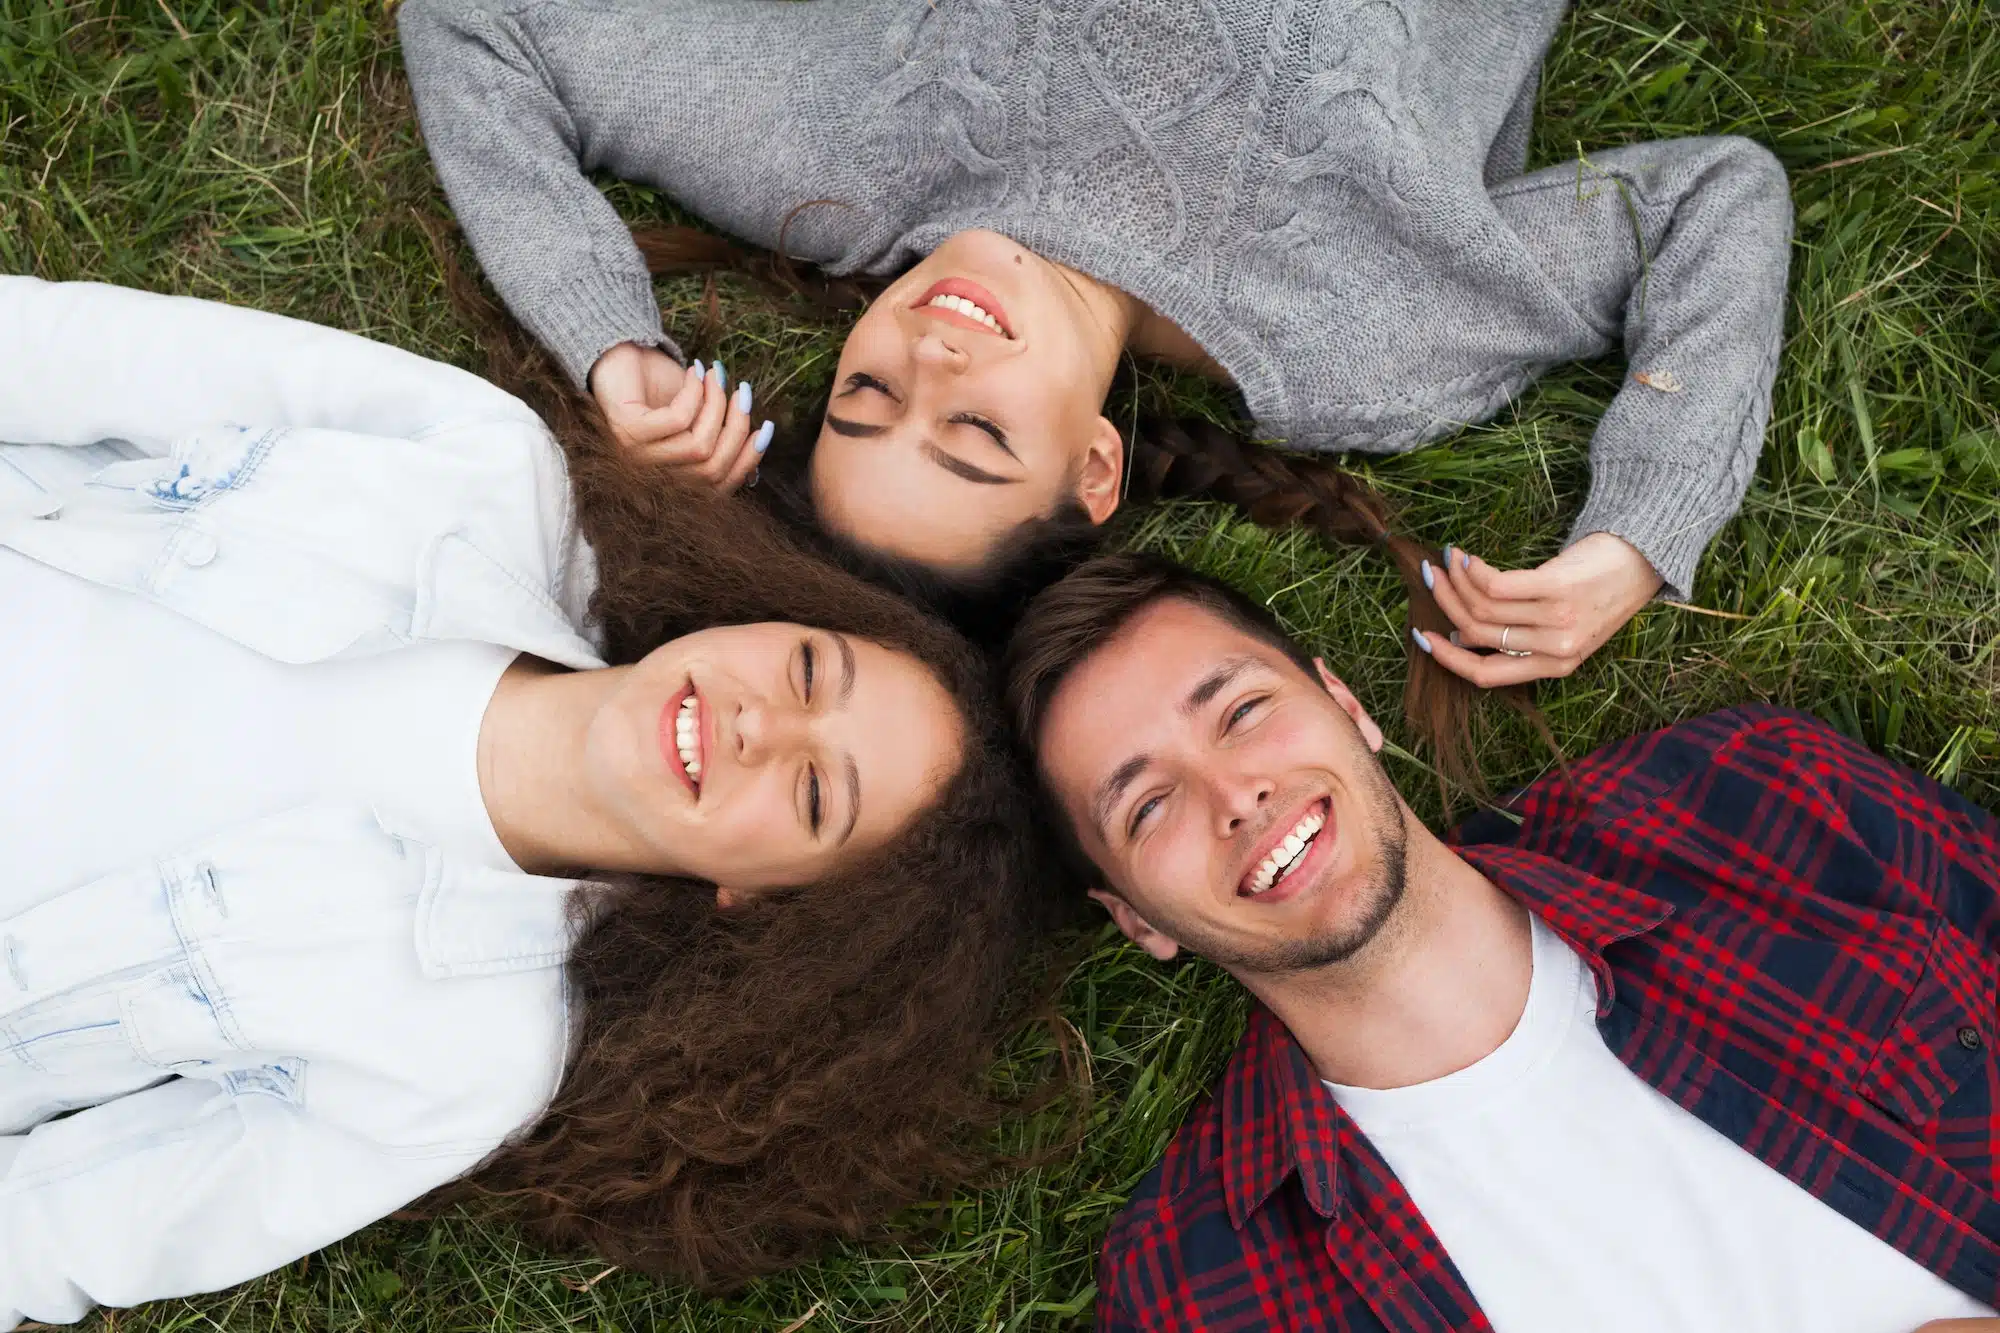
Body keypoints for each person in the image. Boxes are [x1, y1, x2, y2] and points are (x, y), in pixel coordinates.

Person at [0, 276, 1050, 1326]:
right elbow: (63, 353)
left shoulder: (464, 1053)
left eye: (814, 791)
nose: (756, 724)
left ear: (764, 899)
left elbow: (52, 1229)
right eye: (811, 672)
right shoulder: (483, 468)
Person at [397, 0, 1792, 714]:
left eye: (873, 393)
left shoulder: (831, 172)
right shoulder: (1365, 343)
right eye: (976, 435)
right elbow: (1710, 201)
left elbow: (479, 22)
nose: (934, 354)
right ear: (1098, 463)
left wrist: (613, 347)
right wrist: (1640, 533)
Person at [1001, 551, 2000, 1333]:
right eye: (1147, 806)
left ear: (1344, 704)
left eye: (1241, 711)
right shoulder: (1198, 1286)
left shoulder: (1751, 802)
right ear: (1135, 917)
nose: (1233, 796)